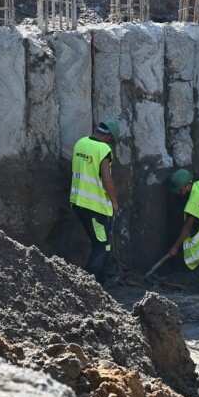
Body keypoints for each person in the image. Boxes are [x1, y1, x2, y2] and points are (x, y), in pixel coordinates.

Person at [70, 119, 121, 284]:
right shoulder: (103, 149)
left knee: (97, 243)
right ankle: (89, 287)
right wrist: (114, 202)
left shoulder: (80, 143)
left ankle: (98, 280)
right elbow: (107, 179)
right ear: (108, 138)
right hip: (95, 207)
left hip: (78, 203)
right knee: (103, 246)